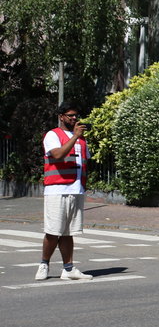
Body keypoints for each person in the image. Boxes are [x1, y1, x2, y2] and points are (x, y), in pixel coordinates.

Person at [36, 102, 92, 281]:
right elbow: (58, 155)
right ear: (61, 117)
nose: (74, 118)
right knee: (53, 231)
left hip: (76, 189)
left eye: (76, 115)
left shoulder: (81, 139)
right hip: (57, 189)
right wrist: (75, 136)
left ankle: (68, 268)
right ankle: (44, 264)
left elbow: (85, 160)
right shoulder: (53, 135)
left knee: (69, 232)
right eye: (70, 115)